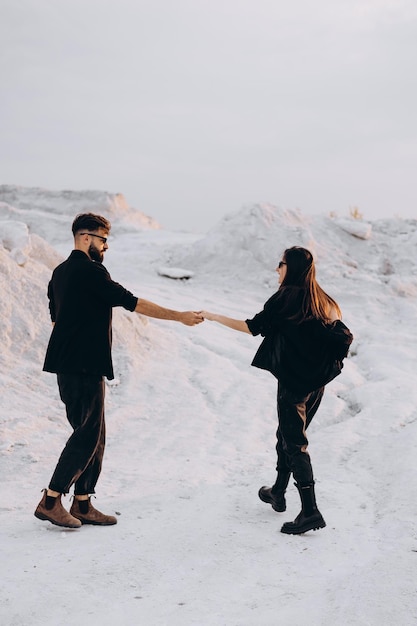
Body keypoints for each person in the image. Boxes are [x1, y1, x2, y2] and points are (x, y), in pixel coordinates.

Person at [35, 213, 203, 529]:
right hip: (84, 364)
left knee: (92, 433)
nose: (106, 246)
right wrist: (178, 315)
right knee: (88, 433)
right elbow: (131, 302)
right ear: (85, 238)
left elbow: (56, 319)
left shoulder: (59, 273)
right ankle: (51, 499)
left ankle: (83, 502)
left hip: (67, 365)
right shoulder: (91, 271)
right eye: (102, 239)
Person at [202, 246, 352, 535]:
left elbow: (252, 327)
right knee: (286, 434)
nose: (277, 269)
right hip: (316, 383)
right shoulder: (324, 300)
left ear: (291, 267)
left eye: (280, 264)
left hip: (294, 384)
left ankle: (310, 511)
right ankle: (279, 491)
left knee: (295, 443)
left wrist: (214, 316)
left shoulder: (286, 297)